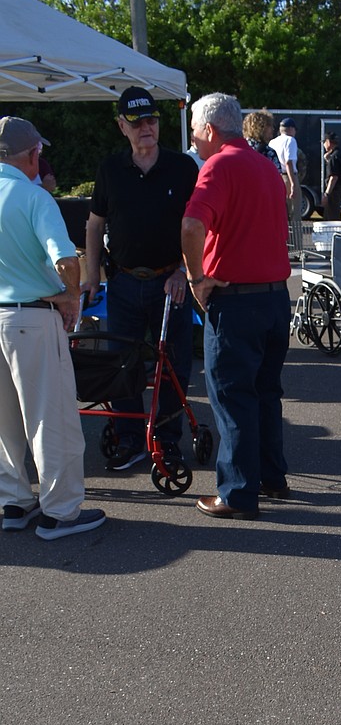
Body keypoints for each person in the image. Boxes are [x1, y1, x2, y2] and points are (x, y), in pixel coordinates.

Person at [181, 92, 292, 520]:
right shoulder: (266, 166)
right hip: (275, 297)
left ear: (209, 130)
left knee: (232, 396)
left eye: (195, 133)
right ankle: (271, 477)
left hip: (237, 301)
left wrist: (195, 278)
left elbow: (192, 224)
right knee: (266, 393)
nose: (194, 142)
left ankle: (237, 493)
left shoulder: (218, 165)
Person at [0, 116, 106, 540]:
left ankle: (13, 500)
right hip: (30, 318)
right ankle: (60, 511)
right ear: (32, 155)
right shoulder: (34, 197)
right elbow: (66, 259)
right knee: (52, 419)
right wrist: (70, 294)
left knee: (3, 423)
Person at [84, 87, 198, 471]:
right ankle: (130, 437)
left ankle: (166, 440)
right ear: (122, 126)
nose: (146, 128)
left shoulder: (183, 168)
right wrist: (90, 277)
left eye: (151, 120)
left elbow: (199, 227)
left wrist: (185, 271)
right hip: (124, 283)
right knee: (123, 363)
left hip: (171, 282)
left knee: (174, 364)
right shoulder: (110, 169)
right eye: (137, 122)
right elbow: (95, 223)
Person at [270, 118, 302, 229]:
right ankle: (295, 244)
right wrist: (293, 183)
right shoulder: (290, 140)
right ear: (291, 129)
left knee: (281, 212)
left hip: (276, 177)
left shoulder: (273, 142)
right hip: (288, 177)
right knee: (294, 213)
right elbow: (288, 162)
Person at [243, 110, 284, 177]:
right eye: (269, 125)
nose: (272, 129)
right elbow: (277, 177)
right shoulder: (268, 152)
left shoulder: (240, 148)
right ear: (260, 127)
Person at [321, 132, 341, 221]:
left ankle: (334, 234)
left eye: (324, 142)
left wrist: (327, 194)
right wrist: (327, 159)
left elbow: (333, 177)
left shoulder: (334, 157)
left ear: (328, 142)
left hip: (334, 190)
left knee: (332, 217)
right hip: (340, 188)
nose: (324, 145)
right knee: (332, 213)